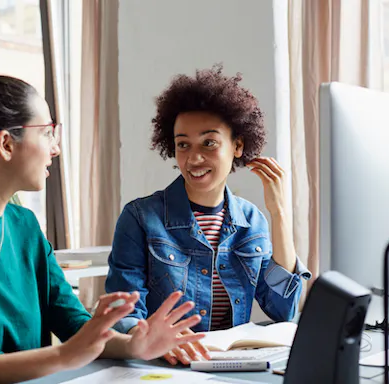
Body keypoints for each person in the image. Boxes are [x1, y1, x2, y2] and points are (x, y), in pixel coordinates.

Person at [0, 63, 205, 384]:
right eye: (48, 132)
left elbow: (72, 322)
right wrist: (63, 356)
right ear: (6, 144)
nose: (56, 148)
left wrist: (134, 345)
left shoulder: (24, 226)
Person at [105, 65, 312, 366]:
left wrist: (279, 213)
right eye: (183, 145)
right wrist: (151, 341)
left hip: (225, 367)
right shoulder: (139, 218)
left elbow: (284, 310)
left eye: (209, 143)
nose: (194, 158)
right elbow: (124, 313)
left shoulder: (253, 221)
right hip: (163, 368)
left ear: (238, 145)